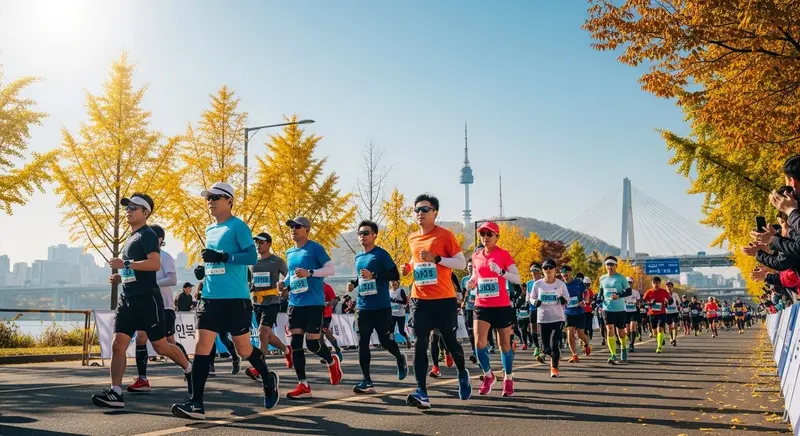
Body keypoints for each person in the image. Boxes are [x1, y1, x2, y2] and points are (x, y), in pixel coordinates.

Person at [171, 183, 278, 420]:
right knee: (202, 346)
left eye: (215, 197)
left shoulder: (238, 226)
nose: (210, 201)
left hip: (235, 298)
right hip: (210, 297)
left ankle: (268, 379)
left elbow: (250, 256)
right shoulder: (211, 229)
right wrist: (205, 268)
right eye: (208, 198)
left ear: (229, 201)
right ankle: (196, 403)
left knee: (243, 349)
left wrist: (223, 256)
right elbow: (215, 263)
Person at [91, 193, 192, 409]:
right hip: (127, 299)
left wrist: (125, 264)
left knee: (161, 346)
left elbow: (154, 264)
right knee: (118, 344)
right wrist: (122, 276)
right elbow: (136, 269)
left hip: (147, 300)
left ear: (146, 213)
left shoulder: (147, 234)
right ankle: (116, 392)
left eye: (134, 207)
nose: (128, 210)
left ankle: (189, 368)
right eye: (127, 207)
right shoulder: (129, 237)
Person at [401, 194, 470, 409]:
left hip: (444, 299)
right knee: (419, 345)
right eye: (417, 210)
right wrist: (409, 268)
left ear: (435, 213)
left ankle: (461, 370)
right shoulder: (413, 238)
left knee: (450, 343)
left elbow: (461, 262)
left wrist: (437, 259)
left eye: (425, 209)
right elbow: (416, 259)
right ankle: (422, 391)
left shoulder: (444, 235)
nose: (420, 213)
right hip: (419, 300)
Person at [278, 216, 343, 399]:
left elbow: (330, 270)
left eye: (297, 226)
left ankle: (332, 361)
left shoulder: (315, 248)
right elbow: (292, 275)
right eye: (291, 227)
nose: (293, 229)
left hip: (313, 303)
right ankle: (303, 385)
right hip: (295, 303)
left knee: (313, 344)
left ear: (307, 230)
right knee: (296, 344)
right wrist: (284, 284)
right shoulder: (290, 252)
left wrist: (310, 272)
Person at [347, 220, 409, 394]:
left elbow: (394, 274)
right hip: (362, 307)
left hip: (381, 307)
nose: (362, 236)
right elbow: (361, 277)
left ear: (374, 235)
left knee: (385, 341)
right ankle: (366, 380)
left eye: (366, 233)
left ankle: (399, 357)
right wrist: (354, 284)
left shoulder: (381, 254)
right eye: (359, 233)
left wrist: (374, 274)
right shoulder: (358, 257)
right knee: (362, 342)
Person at [465, 221, 521, 396]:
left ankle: (508, 378)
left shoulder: (504, 255)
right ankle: (488, 375)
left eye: (490, 234)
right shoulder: (476, 256)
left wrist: (501, 272)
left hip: (502, 305)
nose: (485, 237)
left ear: (497, 236)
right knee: (478, 343)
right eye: (483, 234)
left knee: (504, 344)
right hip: (482, 304)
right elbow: (476, 275)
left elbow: (517, 279)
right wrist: (471, 282)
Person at [128, 224, 186, 393]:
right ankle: (143, 379)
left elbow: (173, 280)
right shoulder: (141, 257)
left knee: (168, 343)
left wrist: (152, 284)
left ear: (159, 240)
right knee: (140, 338)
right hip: (144, 302)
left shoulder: (165, 257)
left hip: (164, 305)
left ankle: (189, 368)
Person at [245, 232, 292, 382]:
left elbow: (289, 276)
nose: (258, 245)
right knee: (267, 335)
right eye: (257, 242)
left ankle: (259, 368)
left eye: (262, 242)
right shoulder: (252, 262)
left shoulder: (277, 261)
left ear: (269, 244)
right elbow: (248, 280)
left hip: (272, 302)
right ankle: (286, 350)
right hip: (257, 302)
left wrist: (285, 287)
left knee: (262, 331)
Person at [529, 259, 569, 377]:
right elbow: (531, 297)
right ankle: (549, 354)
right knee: (546, 347)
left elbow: (567, 298)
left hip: (557, 318)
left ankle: (554, 368)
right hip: (543, 318)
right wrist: (535, 302)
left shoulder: (560, 284)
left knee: (554, 343)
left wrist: (564, 300)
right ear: (542, 270)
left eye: (550, 267)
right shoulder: (538, 284)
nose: (548, 270)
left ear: (555, 269)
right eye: (545, 268)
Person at [597, 256, 632, 363]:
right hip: (607, 308)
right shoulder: (602, 278)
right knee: (609, 330)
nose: (610, 267)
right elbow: (601, 292)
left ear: (616, 266)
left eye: (612, 265)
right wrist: (598, 301)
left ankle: (623, 347)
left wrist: (618, 295)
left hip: (620, 309)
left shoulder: (621, 278)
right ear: (605, 266)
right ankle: (612, 354)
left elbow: (628, 291)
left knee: (621, 332)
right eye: (608, 264)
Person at [561, 266, 591, 362]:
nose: (565, 276)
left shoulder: (578, 283)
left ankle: (586, 344)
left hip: (579, 312)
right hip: (568, 312)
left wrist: (585, 301)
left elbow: (586, 292)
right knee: (570, 332)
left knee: (580, 333)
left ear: (570, 273)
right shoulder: (560, 285)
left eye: (566, 273)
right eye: (563, 274)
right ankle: (574, 354)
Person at [642, 277, 672, 353]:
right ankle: (661, 339)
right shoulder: (649, 292)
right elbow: (643, 302)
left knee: (660, 329)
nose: (656, 285)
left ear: (659, 283)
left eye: (657, 283)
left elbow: (670, 300)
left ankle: (659, 347)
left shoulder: (664, 291)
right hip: (652, 314)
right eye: (654, 283)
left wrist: (668, 302)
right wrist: (650, 303)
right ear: (652, 283)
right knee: (654, 332)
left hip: (661, 313)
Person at [319, 282, 343, 364]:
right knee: (326, 334)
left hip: (326, 315)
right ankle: (333, 351)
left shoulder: (327, 287)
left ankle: (330, 354)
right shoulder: (312, 287)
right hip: (316, 315)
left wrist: (329, 303)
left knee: (321, 335)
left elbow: (335, 300)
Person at [527, 263, 544, 361]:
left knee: (541, 328)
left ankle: (543, 348)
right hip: (532, 308)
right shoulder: (529, 283)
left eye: (535, 271)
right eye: (532, 271)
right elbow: (528, 295)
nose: (533, 273)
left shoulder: (543, 281)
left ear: (540, 272)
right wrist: (526, 302)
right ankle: (537, 346)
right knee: (532, 328)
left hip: (542, 308)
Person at [389, 280, 412, 349]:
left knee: (401, 331)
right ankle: (392, 343)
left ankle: (407, 338)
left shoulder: (400, 291)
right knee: (391, 330)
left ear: (398, 283)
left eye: (395, 282)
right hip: (392, 314)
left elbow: (405, 302)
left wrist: (395, 300)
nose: (393, 283)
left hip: (400, 314)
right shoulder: (389, 292)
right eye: (392, 282)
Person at [623, 276, 641, 352]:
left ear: (632, 284)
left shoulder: (636, 292)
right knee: (627, 331)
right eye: (627, 283)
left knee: (632, 326)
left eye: (630, 283)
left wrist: (637, 302)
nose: (629, 284)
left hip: (634, 311)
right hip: (625, 312)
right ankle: (631, 341)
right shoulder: (623, 292)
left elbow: (639, 301)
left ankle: (632, 344)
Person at [665, 281, 680, 346]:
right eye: (668, 286)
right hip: (667, 313)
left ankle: (674, 339)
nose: (669, 288)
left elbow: (679, 303)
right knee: (669, 327)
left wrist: (678, 306)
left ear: (672, 287)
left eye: (670, 286)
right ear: (666, 287)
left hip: (674, 312)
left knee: (674, 326)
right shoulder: (664, 295)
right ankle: (671, 337)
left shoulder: (675, 295)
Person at [582, 276, 595, 342]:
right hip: (582, 311)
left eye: (588, 284)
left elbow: (593, 298)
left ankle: (590, 334)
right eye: (585, 284)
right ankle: (585, 340)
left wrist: (591, 300)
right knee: (583, 327)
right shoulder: (580, 291)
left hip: (589, 311)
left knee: (589, 326)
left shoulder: (590, 291)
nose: (587, 286)